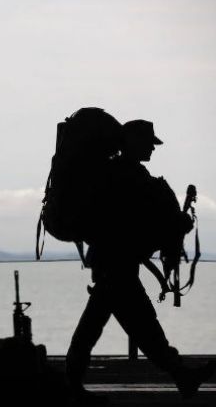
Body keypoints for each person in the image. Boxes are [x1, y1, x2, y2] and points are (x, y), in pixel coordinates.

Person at [65, 120, 215, 404]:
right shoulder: (127, 175)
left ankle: (182, 375)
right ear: (132, 143)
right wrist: (178, 223)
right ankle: (182, 375)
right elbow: (145, 220)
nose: (152, 148)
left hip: (114, 265)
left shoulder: (119, 173)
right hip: (116, 266)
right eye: (148, 143)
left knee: (107, 327)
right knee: (142, 328)